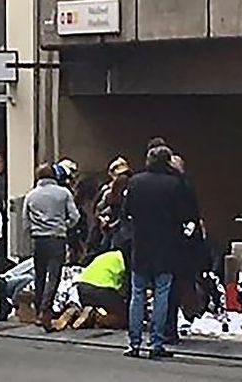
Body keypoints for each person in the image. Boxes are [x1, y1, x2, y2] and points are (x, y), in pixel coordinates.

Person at [122, 145, 187, 359]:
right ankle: (157, 342)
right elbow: (182, 215)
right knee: (162, 294)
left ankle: (134, 343)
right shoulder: (174, 185)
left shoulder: (135, 183)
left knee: (137, 294)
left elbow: (127, 212)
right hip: (165, 247)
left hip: (141, 245)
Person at [24, 162, 81, 331]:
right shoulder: (64, 193)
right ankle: (45, 309)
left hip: (38, 239)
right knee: (54, 275)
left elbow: (25, 222)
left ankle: (39, 310)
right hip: (57, 238)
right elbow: (75, 216)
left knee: (39, 275)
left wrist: (34, 231)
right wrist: (64, 226)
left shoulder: (31, 195)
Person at [164, 153, 205, 345]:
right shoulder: (184, 186)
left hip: (168, 246)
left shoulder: (170, 187)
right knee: (179, 287)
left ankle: (168, 327)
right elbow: (192, 218)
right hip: (184, 247)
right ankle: (182, 321)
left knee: (167, 289)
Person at [73, 249, 129, 330]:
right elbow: (126, 288)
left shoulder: (109, 255)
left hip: (82, 286)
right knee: (124, 318)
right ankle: (97, 318)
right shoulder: (126, 261)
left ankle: (89, 312)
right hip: (101, 287)